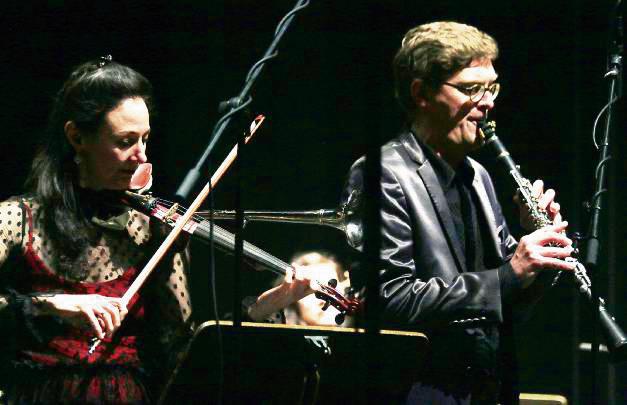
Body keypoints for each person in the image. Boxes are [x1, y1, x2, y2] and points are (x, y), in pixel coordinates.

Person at [341, 21, 575, 404]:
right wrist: (508, 274)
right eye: (470, 89)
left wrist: (539, 258)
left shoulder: (478, 176)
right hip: (421, 393)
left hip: (487, 390)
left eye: (491, 87)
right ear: (422, 93)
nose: (487, 102)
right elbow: (388, 298)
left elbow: (505, 302)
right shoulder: (382, 173)